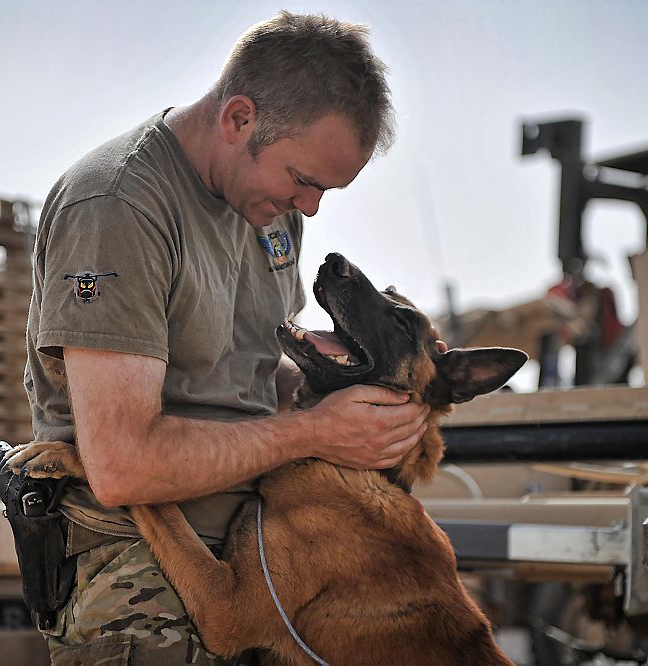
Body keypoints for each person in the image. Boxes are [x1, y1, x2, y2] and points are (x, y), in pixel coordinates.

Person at [23, 11, 430, 664]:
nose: (312, 209)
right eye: (304, 181)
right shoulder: (118, 207)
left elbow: (254, 369)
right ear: (239, 119)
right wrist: (317, 431)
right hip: (138, 562)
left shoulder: (270, 210)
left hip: (267, 543)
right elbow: (123, 465)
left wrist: (359, 393)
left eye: (326, 190)